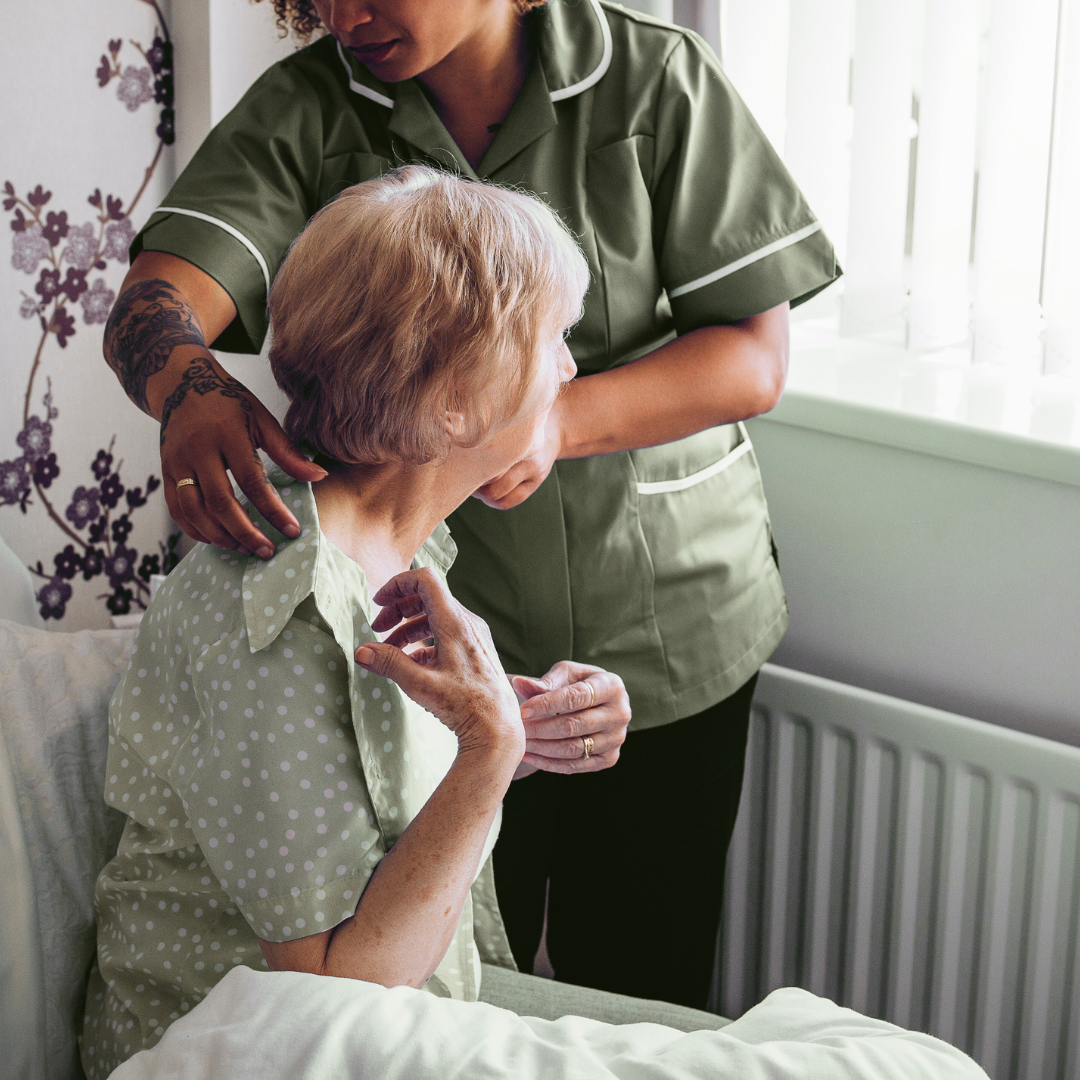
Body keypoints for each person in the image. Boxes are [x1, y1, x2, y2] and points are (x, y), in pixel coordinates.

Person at [102, 0, 840, 1009]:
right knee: (462, 952)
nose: (344, 15)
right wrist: (187, 385)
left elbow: (754, 357)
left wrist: (548, 416)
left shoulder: (658, 77)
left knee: (647, 980)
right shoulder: (308, 108)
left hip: (665, 612)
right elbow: (363, 974)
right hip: (443, 641)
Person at [82, 167, 647, 1078]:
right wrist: (490, 751)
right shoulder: (278, 612)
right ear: (456, 400)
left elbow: (369, 793)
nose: (571, 370)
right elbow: (337, 992)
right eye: (555, 340)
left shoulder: (391, 548)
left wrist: (518, 725)